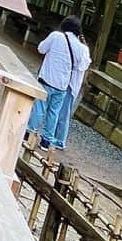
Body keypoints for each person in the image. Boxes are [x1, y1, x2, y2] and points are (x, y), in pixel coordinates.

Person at [25, 15, 91, 150]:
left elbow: (41, 49)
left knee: (40, 108)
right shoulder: (81, 48)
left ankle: (29, 133)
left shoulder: (55, 36)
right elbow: (80, 65)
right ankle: (46, 142)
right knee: (53, 113)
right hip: (62, 86)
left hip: (47, 80)